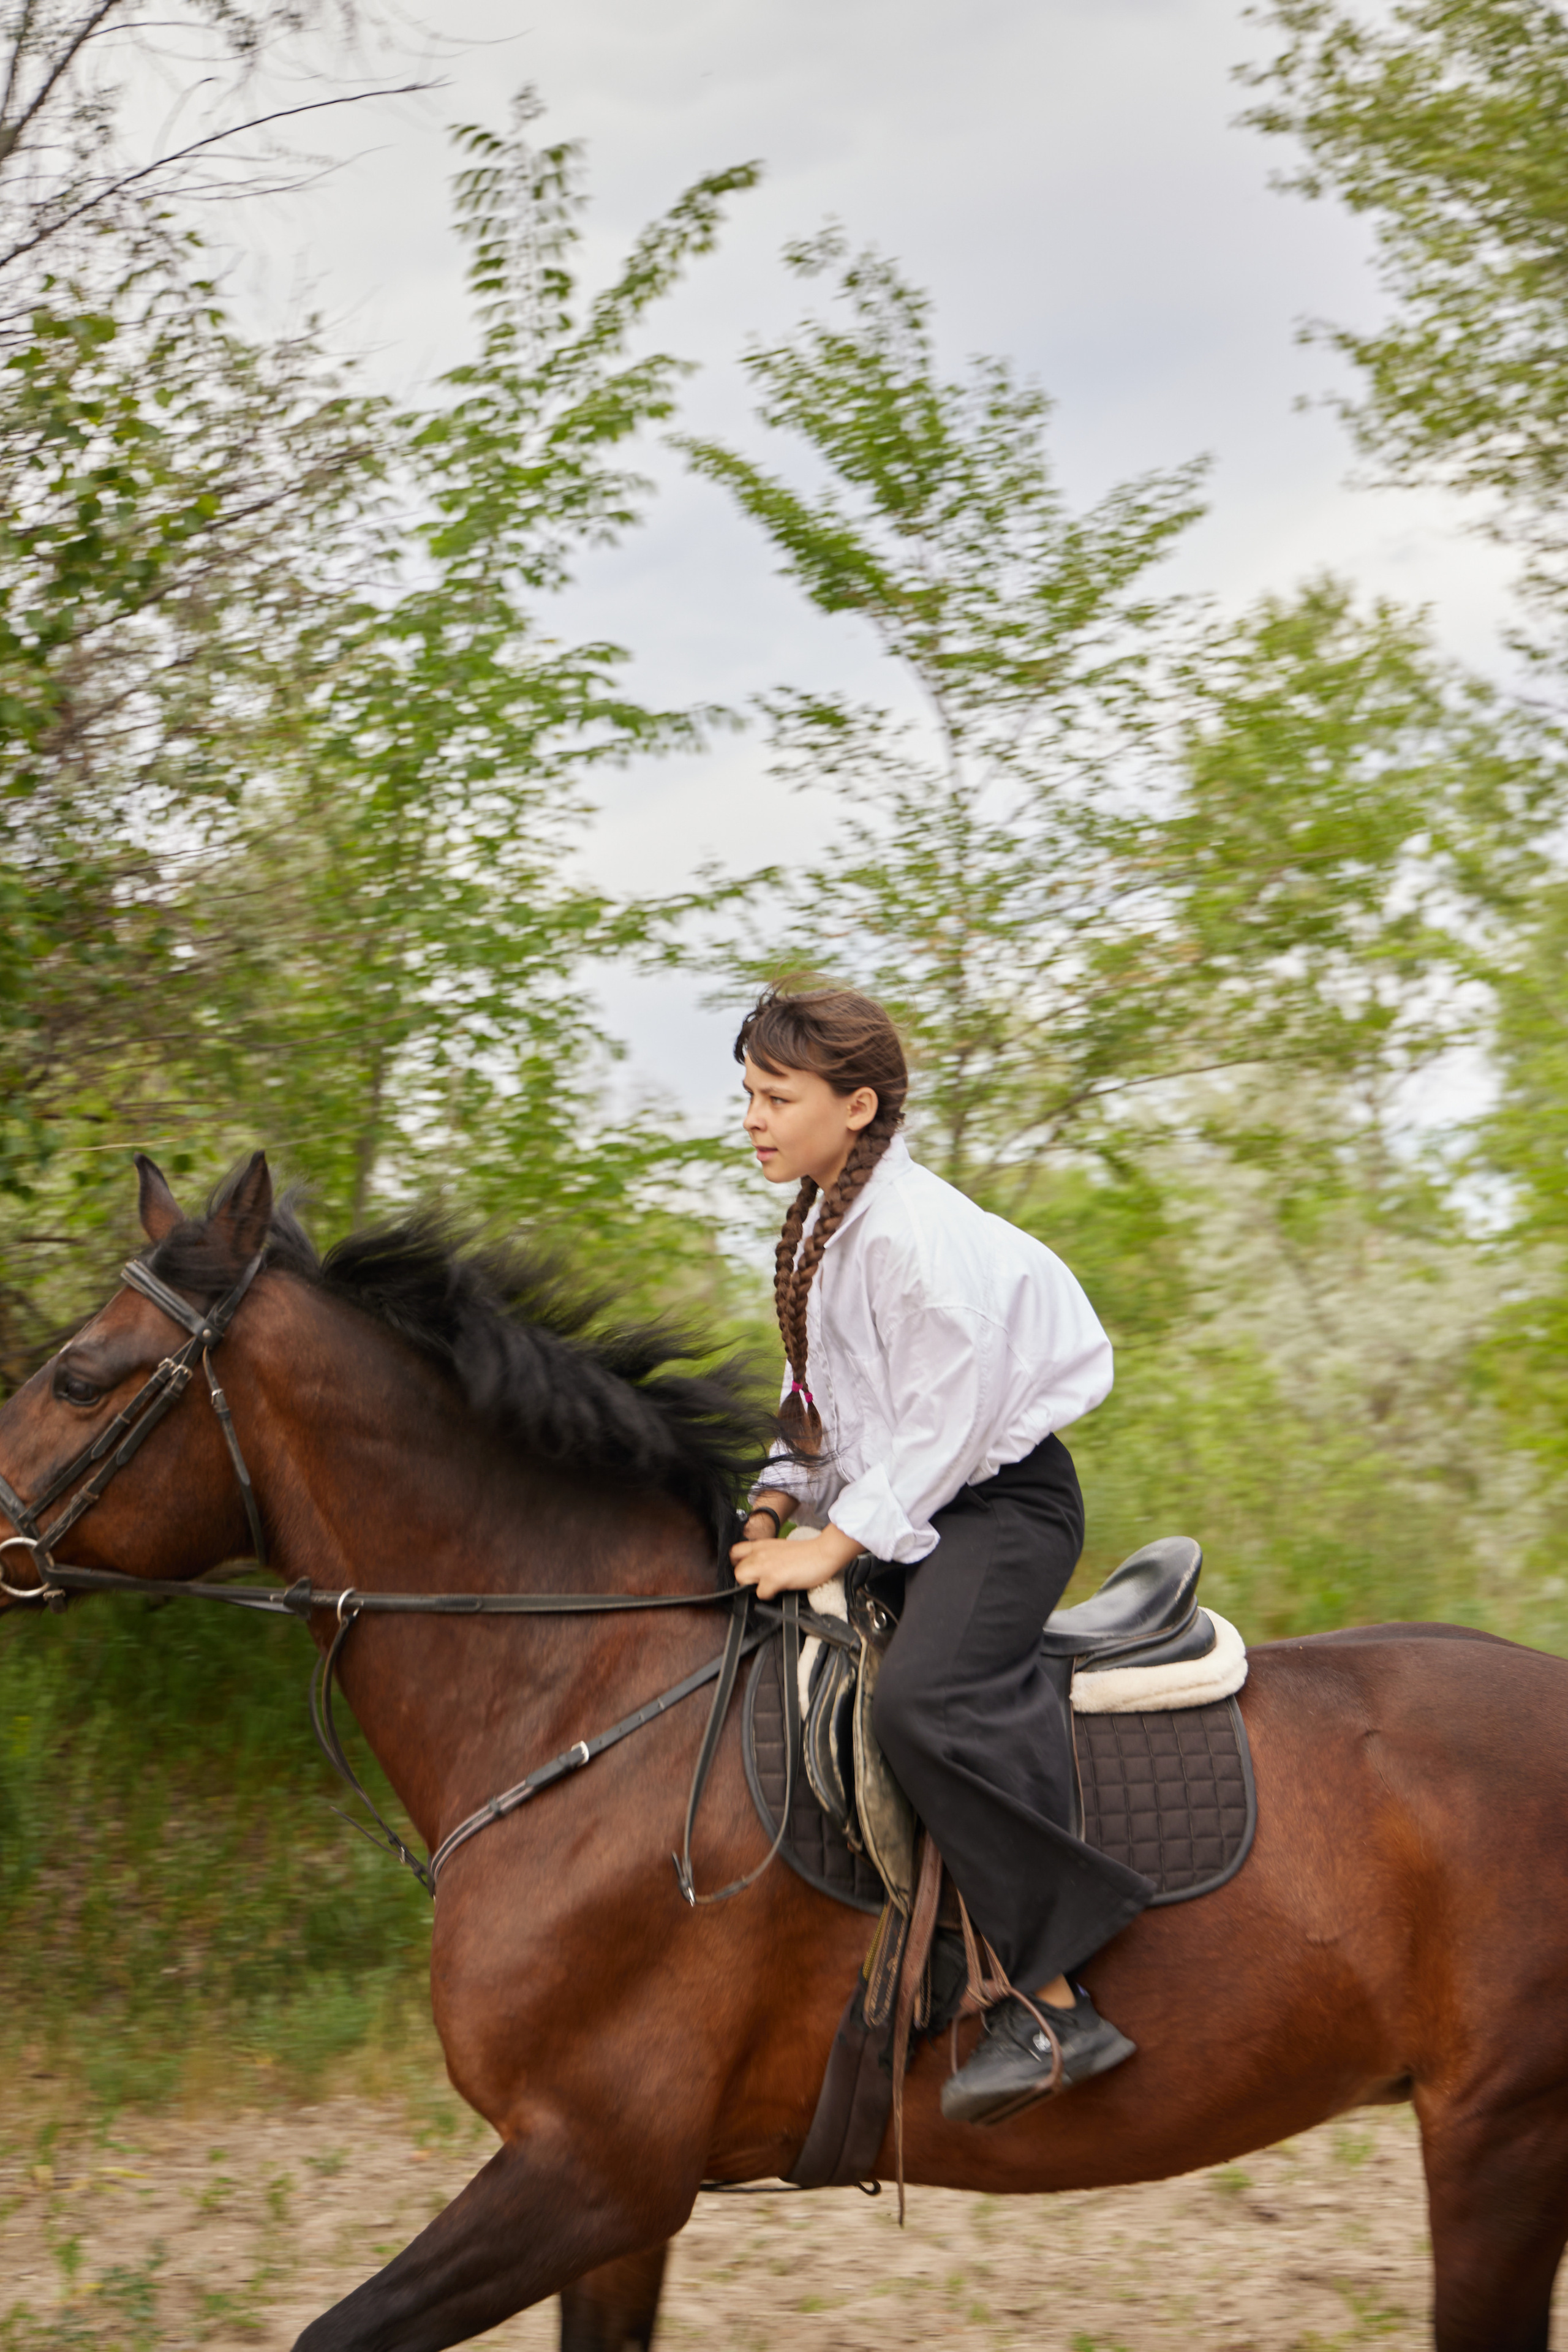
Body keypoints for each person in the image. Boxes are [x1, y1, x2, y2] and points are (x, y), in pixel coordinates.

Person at [729, 983, 1151, 2125]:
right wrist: (776, 1498)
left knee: (920, 1702)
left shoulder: (909, 1237)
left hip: (1000, 1506)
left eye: (777, 1097)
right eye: (750, 1096)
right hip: (917, 1495)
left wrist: (837, 1545)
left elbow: (946, 1422)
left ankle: (1058, 2002)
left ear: (857, 1105)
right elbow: (821, 1399)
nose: (754, 1118)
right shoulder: (826, 1221)